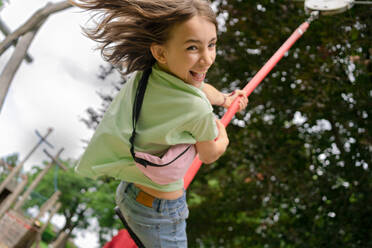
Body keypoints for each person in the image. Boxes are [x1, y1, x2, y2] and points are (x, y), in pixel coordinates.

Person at [70, 0, 248, 247]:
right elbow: (208, 154)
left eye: (212, 44)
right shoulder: (197, 110)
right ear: (161, 52)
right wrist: (223, 136)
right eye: (193, 48)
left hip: (130, 192)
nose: (207, 59)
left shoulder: (148, 73)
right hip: (160, 212)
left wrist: (226, 100)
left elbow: (197, 88)